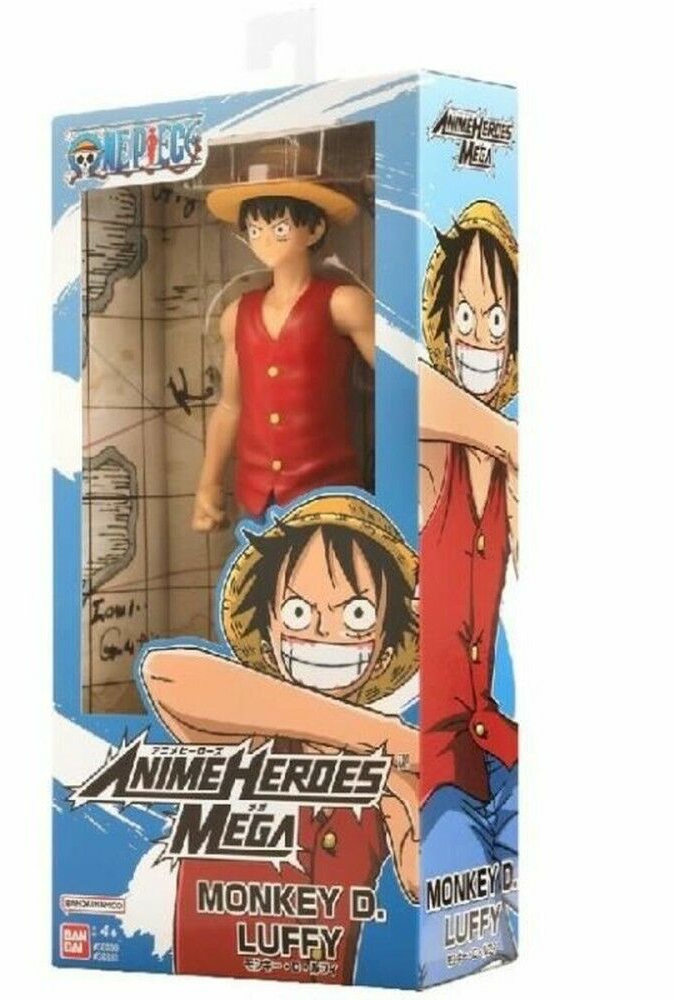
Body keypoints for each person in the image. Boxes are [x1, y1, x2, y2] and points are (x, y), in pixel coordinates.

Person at [141, 493, 420, 983]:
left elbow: (422, 882)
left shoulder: (391, 784)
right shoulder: (240, 730)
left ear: (385, 643)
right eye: (297, 612)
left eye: (356, 615)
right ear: (269, 624)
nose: (323, 632)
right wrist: (385, 737)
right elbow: (163, 672)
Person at [417, 200, 520, 981]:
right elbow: (410, 388)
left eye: (497, 318)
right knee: (456, 938)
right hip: (435, 770)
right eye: (464, 314)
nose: (480, 335)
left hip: (502, 754)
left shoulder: (512, 485)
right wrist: (513, 441)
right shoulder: (435, 455)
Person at [192, 157, 375, 530]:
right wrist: (208, 483)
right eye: (255, 229)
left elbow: (402, 386)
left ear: (315, 229)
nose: (265, 240)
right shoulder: (237, 315)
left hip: (328, 492)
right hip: (257, 496)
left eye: (280, 228)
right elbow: (230, 406)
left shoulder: (343, 304)